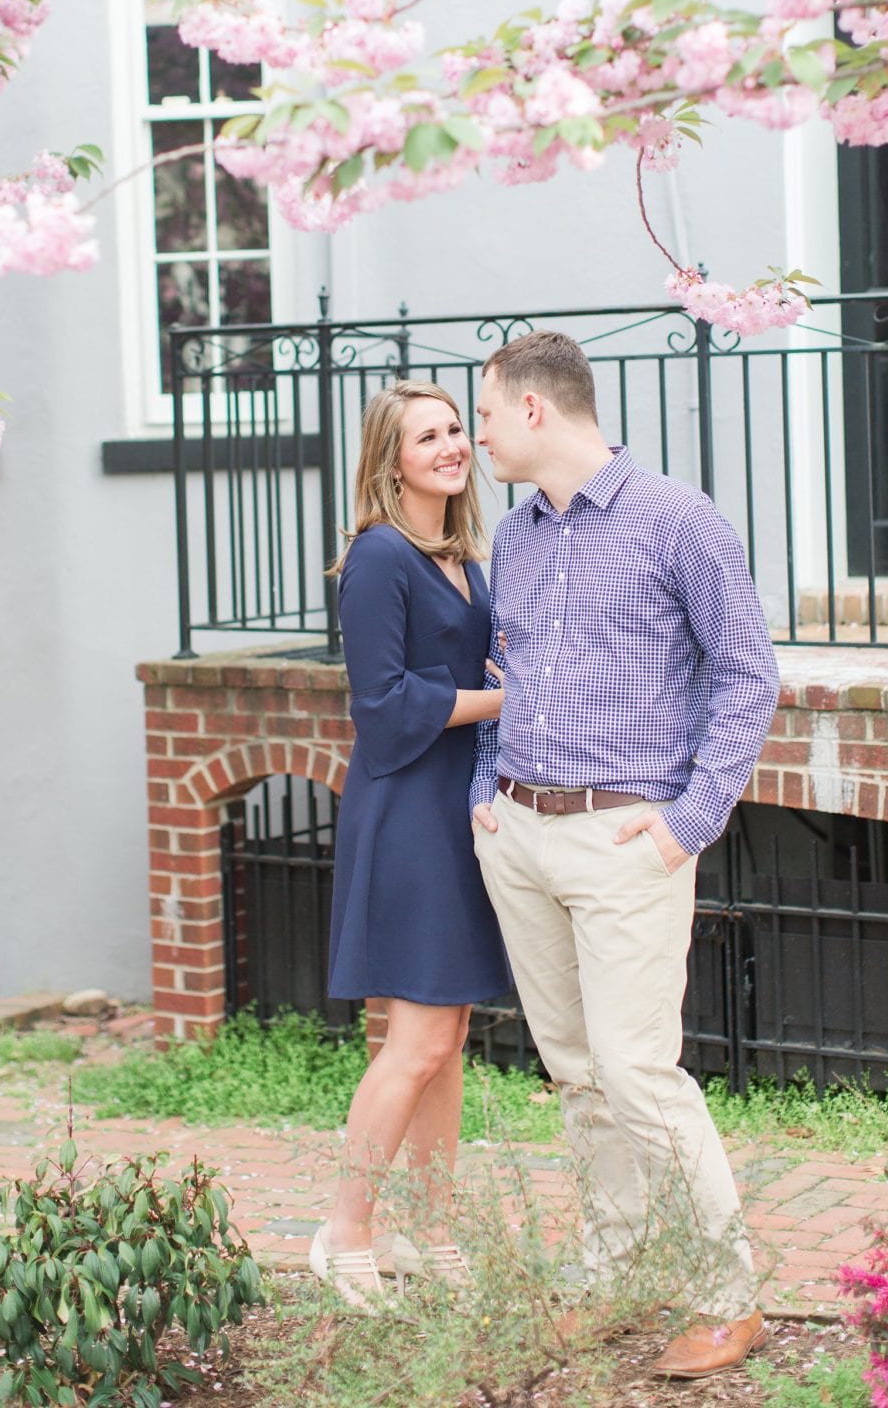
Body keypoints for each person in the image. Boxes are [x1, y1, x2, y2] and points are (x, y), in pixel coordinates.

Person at [469, 329, 779, 1380]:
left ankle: (728, 1298)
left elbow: (746, 675)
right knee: (577, 1076)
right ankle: (612, 1278)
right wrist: (485, 790)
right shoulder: (515, 537)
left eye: (484, 415)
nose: (476, 437)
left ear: (535, 411)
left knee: (639, 1073)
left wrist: (691, 819)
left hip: (625, 838)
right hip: (520, 832)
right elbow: (501, 667)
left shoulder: (679, 521)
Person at [313, 380, 513, 1307]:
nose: (449, 445)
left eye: (454, 429)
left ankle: (430, 1227)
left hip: (457, 808)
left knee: (450, 1036)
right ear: (391, 460)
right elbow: (384, 706)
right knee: (419, 1035)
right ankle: (345, 1232)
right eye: (426, 436)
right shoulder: (380, 558)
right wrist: (506, 700)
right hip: (406, 813)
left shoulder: (463, 555)